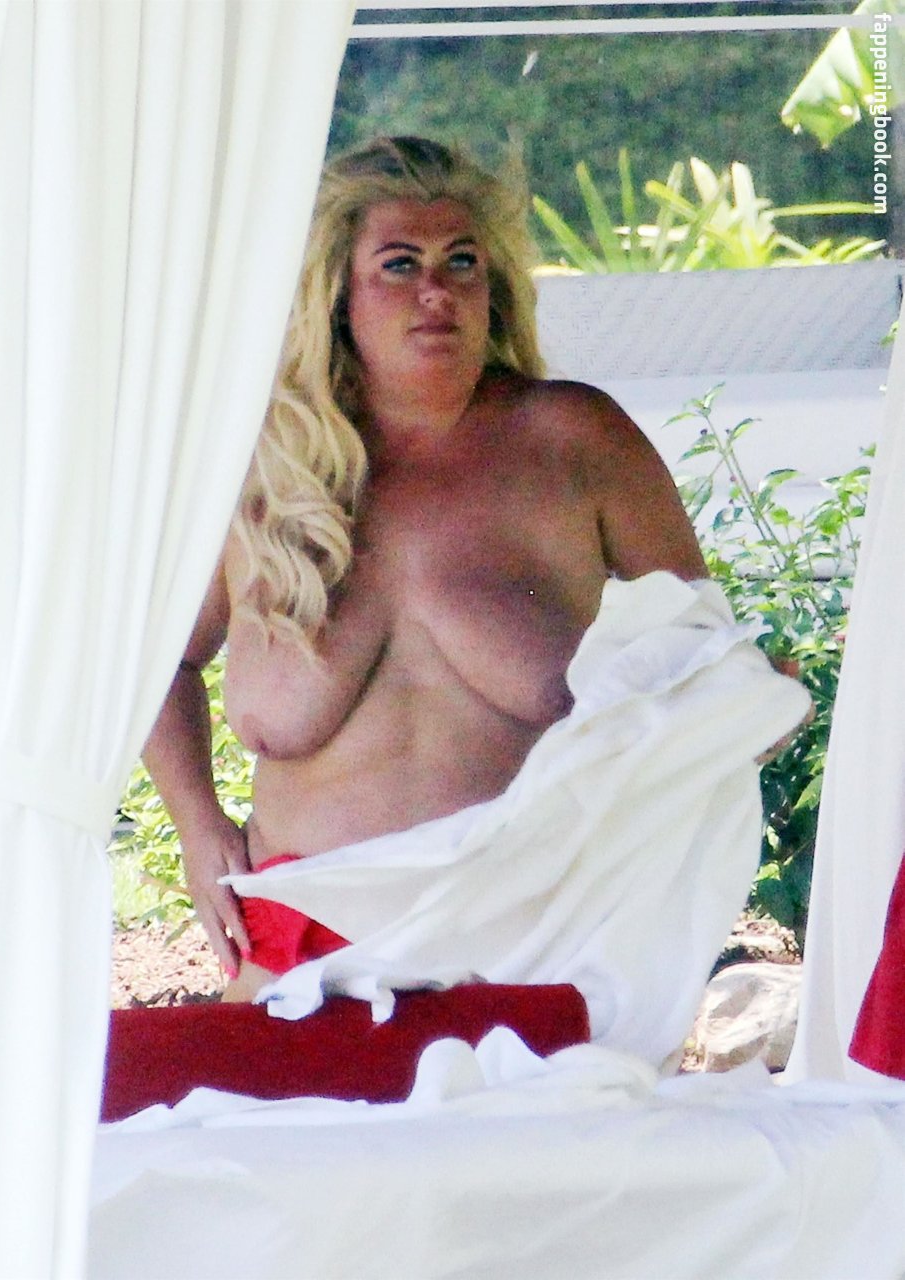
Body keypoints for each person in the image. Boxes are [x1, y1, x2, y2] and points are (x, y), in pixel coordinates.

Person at [143, 136, 708, 1000]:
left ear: (496, 284)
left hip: (532, 955)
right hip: (293, 959)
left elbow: (704, 656)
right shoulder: (262, 465)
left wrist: (740, 707)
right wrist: (197, 824)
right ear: (336, 294)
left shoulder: (575, 440)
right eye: (399, 265)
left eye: (462, 262)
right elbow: (155, 662)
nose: (436, 291)